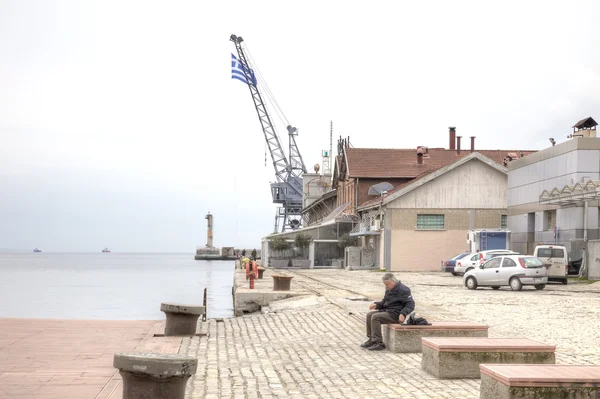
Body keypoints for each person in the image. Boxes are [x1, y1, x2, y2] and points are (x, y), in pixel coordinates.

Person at [361, 272, 415, 351]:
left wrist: (403, 313)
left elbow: (411, 304)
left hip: (396, 315)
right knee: (369, 315)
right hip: (388, 311)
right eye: (385, 284)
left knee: (375, 317)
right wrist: (377, 305)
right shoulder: (388, 288)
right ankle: (372, 339)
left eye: (387, 284)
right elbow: (385, 302)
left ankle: (379, 343)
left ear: (393, 281)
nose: (386, 286)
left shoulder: (404, 289)